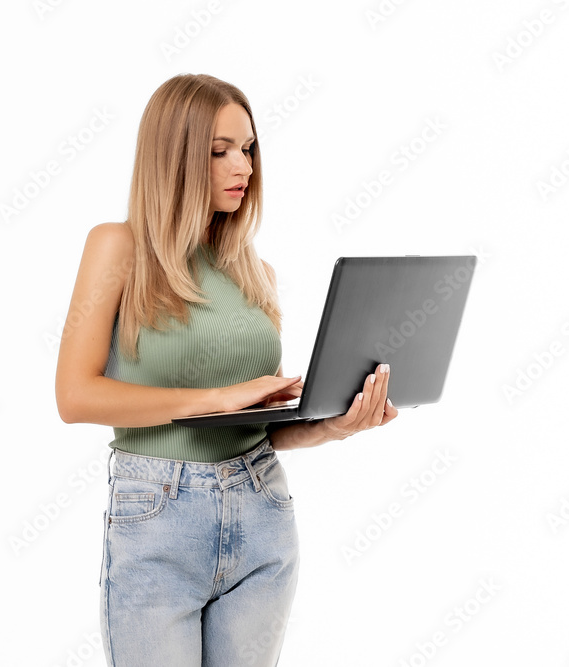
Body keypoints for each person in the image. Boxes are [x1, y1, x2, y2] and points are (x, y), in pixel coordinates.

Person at [54, 73, 398, 667]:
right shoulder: (118, 247)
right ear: (174, 157)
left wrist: (331, 425)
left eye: (248, 148)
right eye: (220, 151)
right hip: (158, 514)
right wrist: (215, 397)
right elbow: (75, 396)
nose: (244, 166)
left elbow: (255, 425)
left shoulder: (253, 270)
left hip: (261, 507)